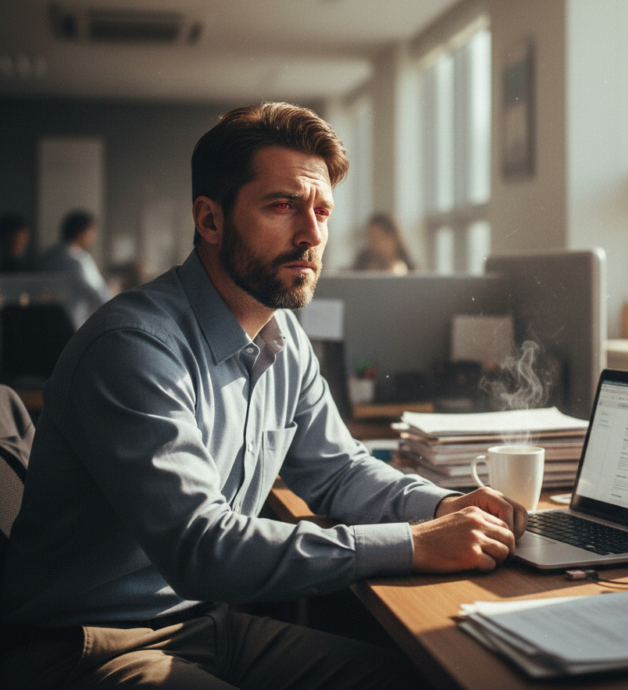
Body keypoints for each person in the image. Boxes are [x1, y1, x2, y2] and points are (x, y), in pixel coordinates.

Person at [0, 103, 527, 689]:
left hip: (206, 627)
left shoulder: (283, 337)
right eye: (283, 206)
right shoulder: (133, 346)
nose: (312, 235)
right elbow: (202, 548)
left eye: (322, 211)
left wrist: (442, 509)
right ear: (210, 220)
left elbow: (339, 471)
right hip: (88, 646)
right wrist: (412, 544)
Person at [38, 209, 113, 329]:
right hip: (72, 324)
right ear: (81, 233)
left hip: (45, 324)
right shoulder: (77, 260)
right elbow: (99, 296)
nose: (94, 237)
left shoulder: (49, 255)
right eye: (92, 232)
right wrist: (113, 291)